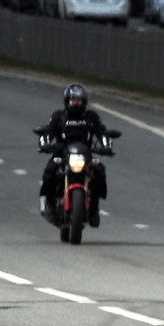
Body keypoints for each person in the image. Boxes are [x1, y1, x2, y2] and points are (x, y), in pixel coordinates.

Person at [37, 83, 110, 226]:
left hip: (85, 155)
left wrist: (106, 146)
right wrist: (45, 144)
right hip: (62, 154)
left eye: (79, 100)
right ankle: (50, 203)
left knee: (99, 170)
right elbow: (48, 131)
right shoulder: (59, 116)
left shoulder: (91, 117)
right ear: (67, 101)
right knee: (50, 170)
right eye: (73, 100)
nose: (76, 103)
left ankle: (94, 207)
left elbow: (102, 132)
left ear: (84, 102)